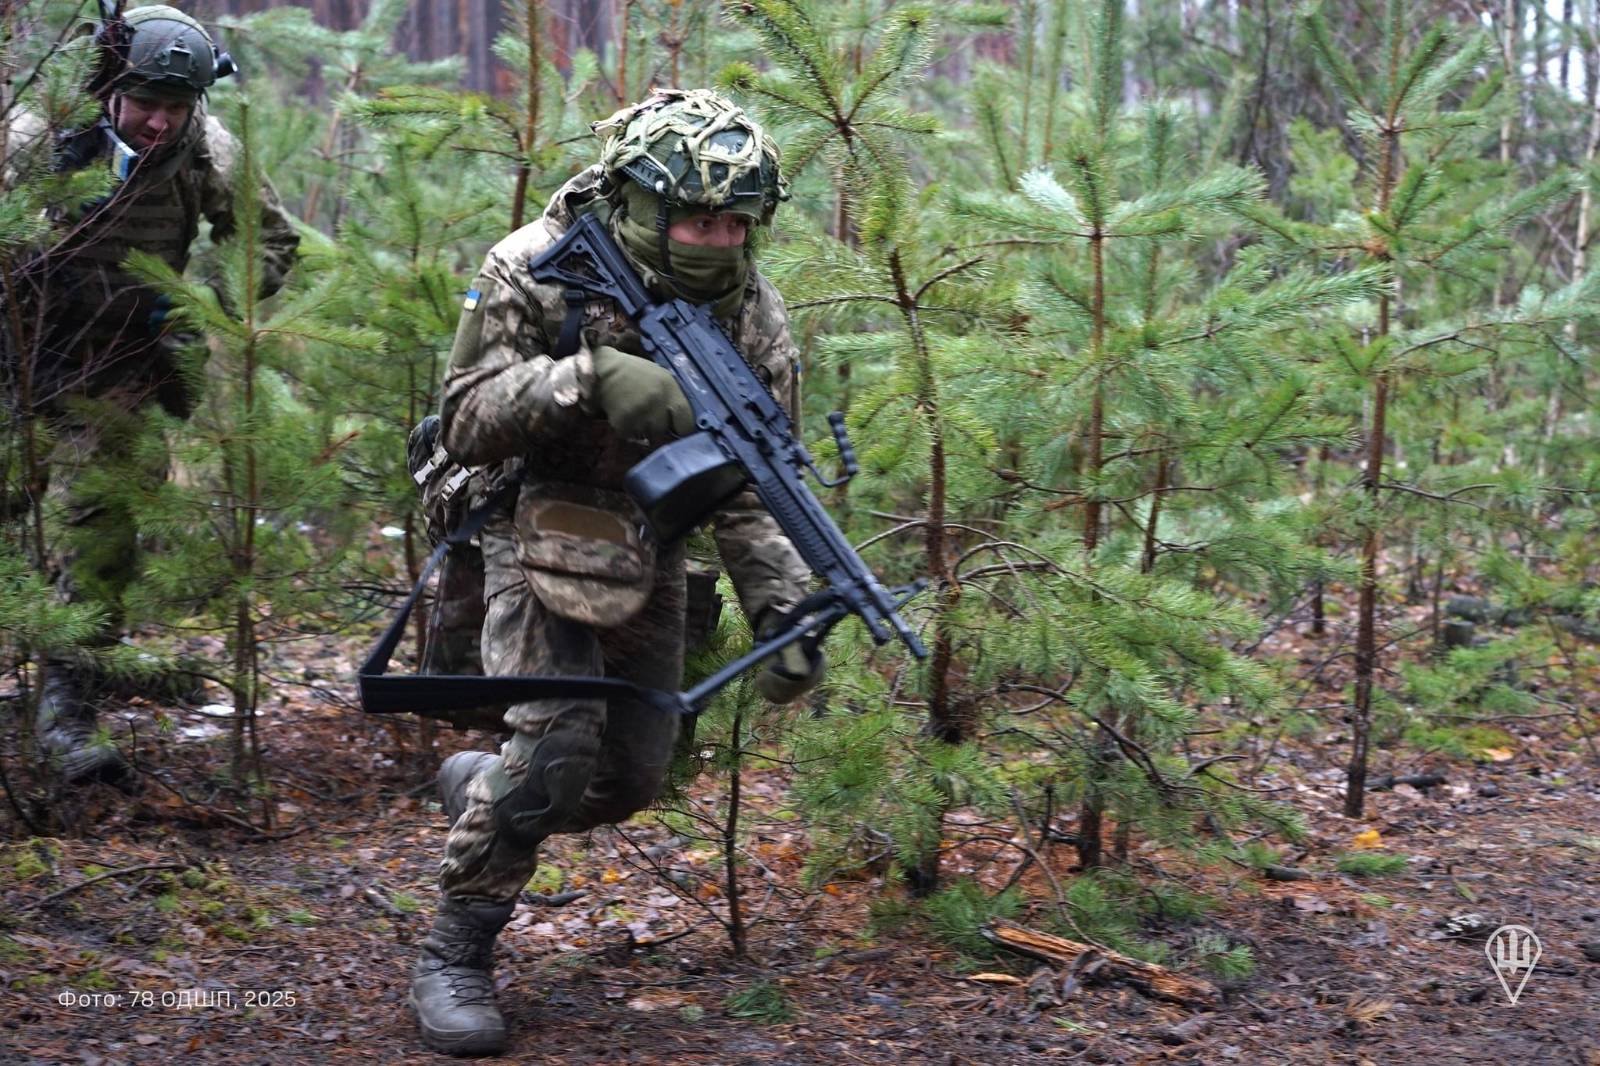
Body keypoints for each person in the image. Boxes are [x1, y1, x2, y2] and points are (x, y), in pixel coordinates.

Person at [410, 88, 826, 1056]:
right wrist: (584, 378)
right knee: (558, 741)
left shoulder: (753, 313)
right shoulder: (535, 268)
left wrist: (782, 610)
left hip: (650, 533)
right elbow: (464, 415)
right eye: (694, 217)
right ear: (638, 201)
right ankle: (454, 952)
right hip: (527, 512)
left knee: (631, 774)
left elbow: (754, 479)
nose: (714, 240)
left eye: (734, 221)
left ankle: (489, 787)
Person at [3, 5, 299, 783]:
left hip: (121, 360)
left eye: (176, 107)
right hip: (22, 349)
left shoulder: (208, 146)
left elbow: (270, 241)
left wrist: (196, 296)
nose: (159, 123)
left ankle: (67, 710)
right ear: (109, 88)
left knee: (105, 524)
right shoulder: (38, 136)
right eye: (146, 105)